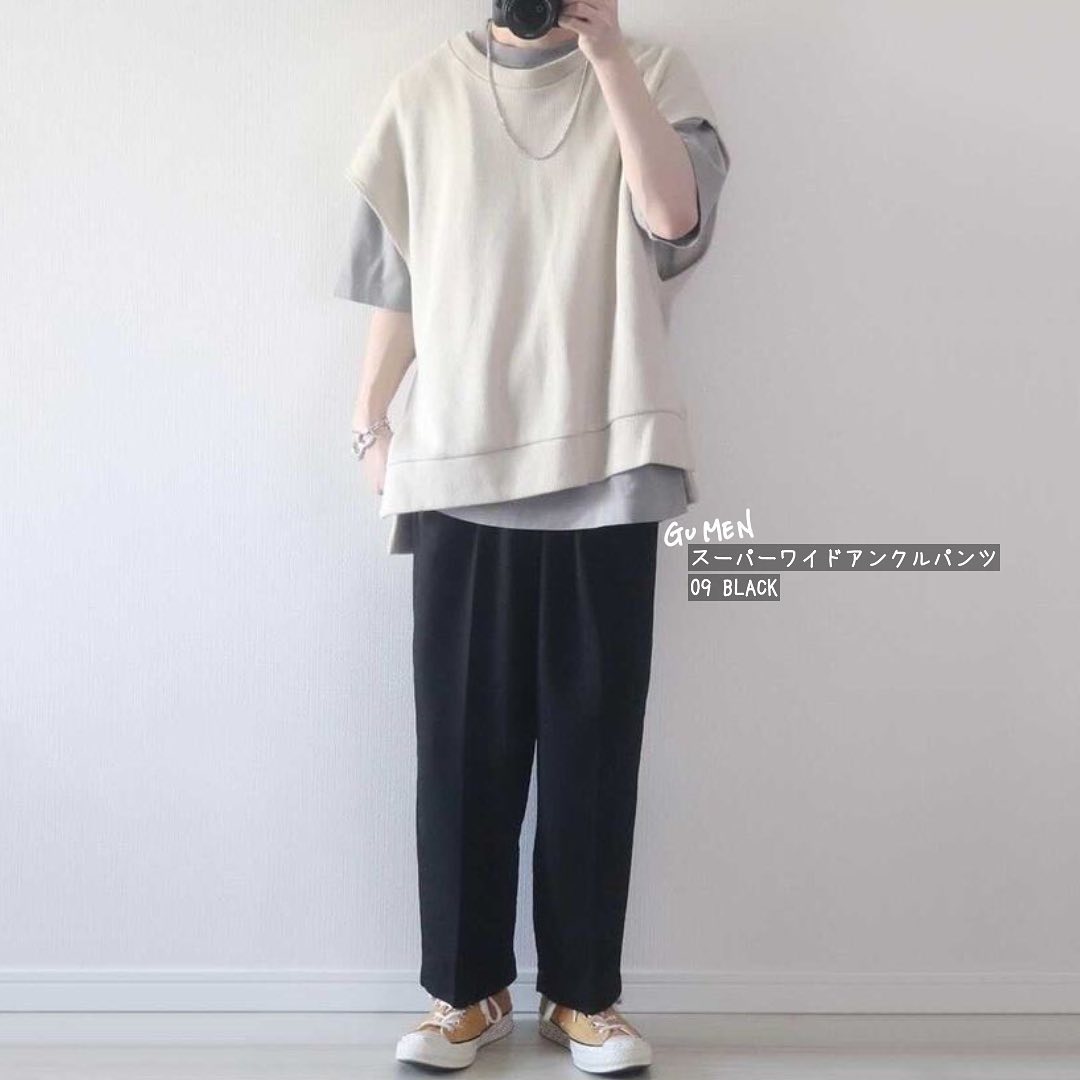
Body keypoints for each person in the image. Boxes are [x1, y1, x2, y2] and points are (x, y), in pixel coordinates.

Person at [335, 1, 729, 1071]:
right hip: (458, 460)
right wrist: (369, 421)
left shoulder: (655, 71)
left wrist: (607, 52)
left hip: (610, 454)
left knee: (595, 744)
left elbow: (673, 222)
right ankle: (463, 993)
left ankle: (584, 999)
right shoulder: (425, 93)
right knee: (461, 747)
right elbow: (399, 278)